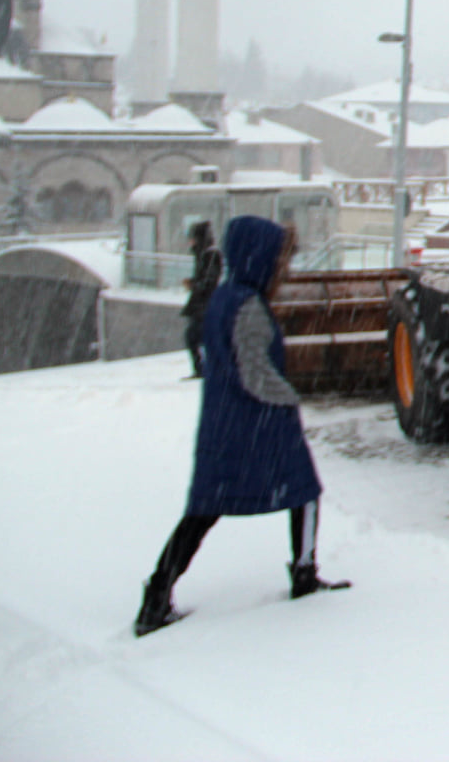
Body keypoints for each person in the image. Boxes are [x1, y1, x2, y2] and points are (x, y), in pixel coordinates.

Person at [135, 216, 349, 637]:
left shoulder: (224, 296)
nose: (281, 268)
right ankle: (304, 574)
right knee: (303, 491)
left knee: (203, 511)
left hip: (224, 422)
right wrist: (289, 397)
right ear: (258, 257)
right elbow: (255, 373)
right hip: (259, 424)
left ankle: (157, 595)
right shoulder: (248, 305)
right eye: (277, 258)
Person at [180, 220, 222, 378]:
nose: (190, 242)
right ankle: (205, 368)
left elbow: (209, 281)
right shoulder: (202, 255)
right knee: (197, 337)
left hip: (205, 305)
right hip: (202, 305)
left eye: (192, 238)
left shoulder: (210, 255)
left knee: (196, 337)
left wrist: (194, 285)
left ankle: (205, 369)